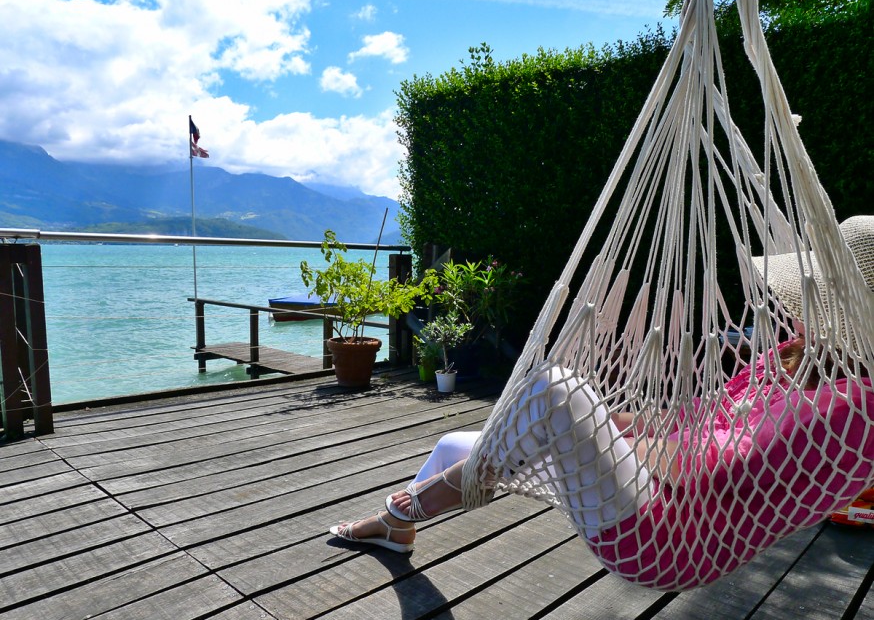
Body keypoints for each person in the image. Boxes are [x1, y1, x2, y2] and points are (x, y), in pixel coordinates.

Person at [329, 216, 874, 589]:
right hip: (653, 479)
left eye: (810, 301)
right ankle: (399, 523)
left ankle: (400, 509)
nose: (795, 311)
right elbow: (695, 419)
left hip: (671, 530)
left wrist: (616, 435)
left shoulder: (852, 405)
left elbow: (724, 473)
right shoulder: (791, 359)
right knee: (457, 443)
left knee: (553, 391)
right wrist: (623, 421)